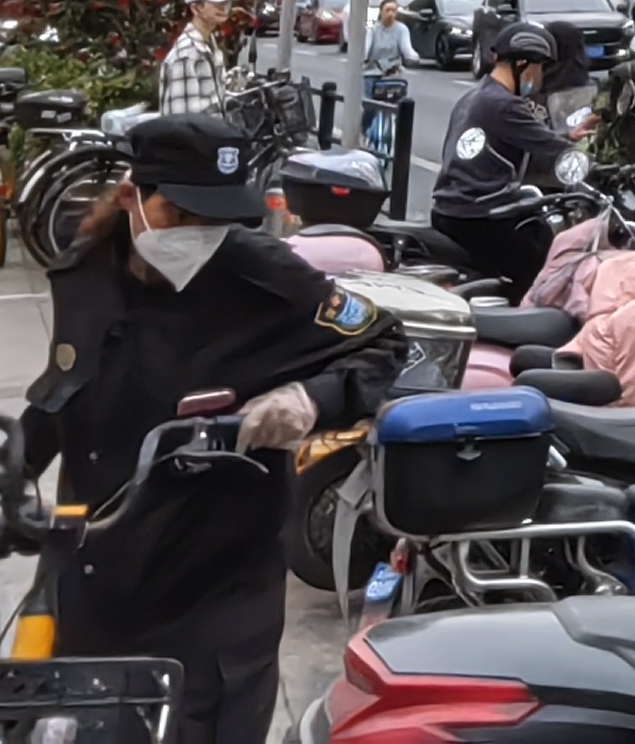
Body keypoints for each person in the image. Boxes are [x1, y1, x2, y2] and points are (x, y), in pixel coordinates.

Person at [22, 112, 403, 744]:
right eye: (179, 214)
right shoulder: (86, 271)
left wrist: (311, 397)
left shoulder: (263, 276)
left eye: (214, 218)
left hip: (214, 582)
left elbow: (386, 346)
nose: (197, 234)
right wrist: (11, 464)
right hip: (98, 564)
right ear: (130, 199)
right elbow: (67, 390)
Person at [428, 25, 571, 294]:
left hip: (450, 210)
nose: (539, 77)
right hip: (478, 215)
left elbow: (536, 135)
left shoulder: (475, 96)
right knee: (540, 269)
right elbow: (553, 148)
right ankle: (520, 328)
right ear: (522, 63)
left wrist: (570, 135)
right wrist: (595, 164)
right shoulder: (505, 104)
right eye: (539, 68)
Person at [158, 0, 251, 115]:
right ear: (196, 8)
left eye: (227, 2)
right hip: (198, 134)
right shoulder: (187, 53)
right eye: (216, 3)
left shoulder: (209, 43)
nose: (224, 7)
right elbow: (183, 118)